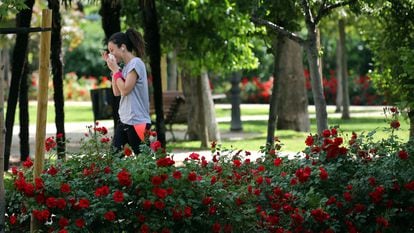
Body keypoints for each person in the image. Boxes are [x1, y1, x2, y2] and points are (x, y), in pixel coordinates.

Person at [102, 28, 151, 155]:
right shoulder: (124, 68)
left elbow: (125, 90)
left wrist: (116, 70)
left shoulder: (136, 63)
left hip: (137, 121)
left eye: (112, 50)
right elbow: (116, 92)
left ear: (122, 47)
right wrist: (114, 70)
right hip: (124, 120)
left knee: (144, 160)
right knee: (114, 157)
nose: (111, 54)